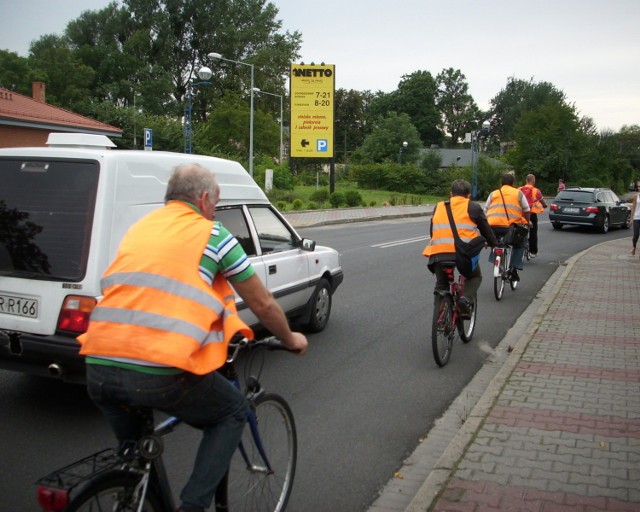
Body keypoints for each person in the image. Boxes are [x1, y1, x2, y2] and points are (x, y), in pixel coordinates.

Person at [78, 163, 308, 512]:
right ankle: (193, 506)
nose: (214, 211)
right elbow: (261, 302)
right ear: (203, 199)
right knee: (231, 413)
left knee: (135, 456)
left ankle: (131, 493)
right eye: (215, 204)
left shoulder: (139, 230)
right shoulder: (211, 234)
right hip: (159, 371)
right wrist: (290, 339)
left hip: (98, 365)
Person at [423, 179, 498, 316]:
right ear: (469, 195)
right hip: (463, 255)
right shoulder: (473, 207)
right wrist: (494, 244)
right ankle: (465, 299)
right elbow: (486, 230)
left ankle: (439, 316)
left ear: (451, 194)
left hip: (438, 254)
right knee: (475, 277)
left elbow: (432, 231)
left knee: (441, 284)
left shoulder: (439, 206)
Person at [484, 173, 531, 282]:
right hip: (510, 228)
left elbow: (485, 211)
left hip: (493, 227)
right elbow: (526, 210)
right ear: (513, 184)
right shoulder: (518, 193)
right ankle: (513, 268)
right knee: (520, 243)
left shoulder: (493, 194)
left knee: (495, 242)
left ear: (501, 183)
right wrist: (527, 223)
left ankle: (496, 258)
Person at [519, 173, 547, 257]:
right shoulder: (536, 191)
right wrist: (545, 205)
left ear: (526, 180)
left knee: (519, 231)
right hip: (531, 214)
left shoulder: (519, 189)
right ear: (533, 181)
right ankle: (533, 251)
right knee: (533, 232)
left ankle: (518, 248)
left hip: (521, 214)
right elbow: (542, 201)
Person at [631, 190, 640, 256]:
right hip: (636, 217)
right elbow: (633, 207)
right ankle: (634, 247)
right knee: (636, 234)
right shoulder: (636, 197)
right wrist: (631, 218)